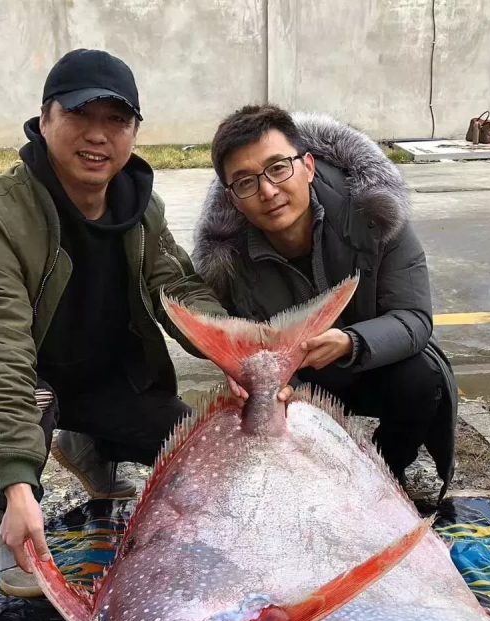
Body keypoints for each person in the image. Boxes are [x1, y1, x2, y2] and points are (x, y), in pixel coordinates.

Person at [0, 49, 225, 598]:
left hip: (103, 378)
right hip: (25, 380)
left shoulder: (141, 205)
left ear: (134, 132)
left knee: (195, 451)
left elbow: (179, 289)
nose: (98, 136)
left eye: (115, 120)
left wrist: (238, 350)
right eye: (79, 116)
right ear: (44, 120)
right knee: (31, 410)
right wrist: (18, 483)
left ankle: (90, 447)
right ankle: (8, 512)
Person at [193, 104, 458, 495]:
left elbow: (415, 318)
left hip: (372, 363)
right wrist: (252, 376)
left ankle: (385, 475)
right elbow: (231, 334)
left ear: (309, 166)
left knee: (421, 378)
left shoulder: (375, 214)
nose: (268, 191)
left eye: (278, 168)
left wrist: (352, 342)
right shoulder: (226, 257)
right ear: (233, 198)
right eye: (246, 182)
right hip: (292, 379)